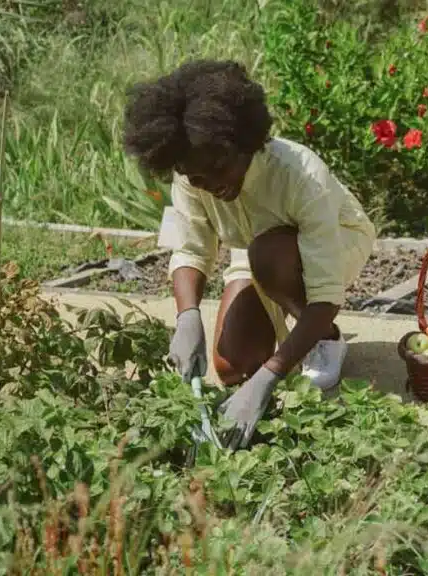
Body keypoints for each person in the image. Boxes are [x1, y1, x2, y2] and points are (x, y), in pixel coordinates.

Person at [122, 59, 376, 449]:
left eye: (220, 169)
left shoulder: (300, 174)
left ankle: (325, 339)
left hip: (334, 241)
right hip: (255, 250)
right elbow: (190, 249)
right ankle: (286, 329)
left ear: (243, 144)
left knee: (269, 256)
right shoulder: (193, 172)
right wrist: (188, 317)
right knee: (230, 366)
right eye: (198, 179)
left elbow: (325, 294)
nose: (212, 185)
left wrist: (269, 378)